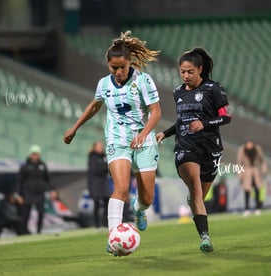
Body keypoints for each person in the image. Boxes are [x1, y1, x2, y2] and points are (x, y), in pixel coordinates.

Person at [64, 31, 161, 255]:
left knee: (147, 197)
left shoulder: (143, 81)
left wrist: (144, 133)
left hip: (144, 140)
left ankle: (139, 209)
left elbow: (156, 112)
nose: (118, 72)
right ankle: (113, 237)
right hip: (117, 139)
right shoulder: (103, 84)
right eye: (113, 68)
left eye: (122, 68)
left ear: (129, 63)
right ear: (108, 65)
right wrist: (75, 127)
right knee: (121, 187)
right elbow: (95, 105)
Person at [156, 47, 231, 253]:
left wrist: (204, 124)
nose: (186, 76)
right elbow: (182, 121)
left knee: (199, 195)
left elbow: (226, 116)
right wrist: (165, 133)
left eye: (190, 71)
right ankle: (205, 237)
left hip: (210, 148)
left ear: (199, 69)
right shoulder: (178, 92)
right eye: (182, 71)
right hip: (185, 146)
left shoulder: (214, 88)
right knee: (197, 190)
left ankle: (195, 202)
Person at [15, 144, 56, 234]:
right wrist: (19, 194)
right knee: (25, 215)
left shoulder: (42, 165)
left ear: (39, 155)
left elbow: (48, 179)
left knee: (41, 213)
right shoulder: (25, 166)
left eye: (36, 154)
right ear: (31, 154)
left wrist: (52, 190)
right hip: (27, 194)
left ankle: (39, 231)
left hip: (39, 193)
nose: (34, 156)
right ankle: (23, 233)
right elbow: (19, 181)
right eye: (33, 154)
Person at [237, 139, 267, 217]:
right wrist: (240, 174)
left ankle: (258, 208)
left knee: (257, 190)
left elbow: (262, 160)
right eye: (248, 144)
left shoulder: (257, 149)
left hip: (256, 172)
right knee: (247, 191)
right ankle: (247, 209)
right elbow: (239, 162)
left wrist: (263, 170)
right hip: (246, 173)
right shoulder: (242, 150)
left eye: (250, 144)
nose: (249, 146)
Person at [87, 141, 110, 228]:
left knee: (107, 203)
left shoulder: (104, 157)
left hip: (104, 183)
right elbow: (95, 169)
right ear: (95, 147)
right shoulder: (92, 157)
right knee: (96, 204)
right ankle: (97, 224)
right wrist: (105, 167)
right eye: (99, 146)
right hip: (95, 184)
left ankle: (105, 223)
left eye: (101, 146)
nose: (101, 148)